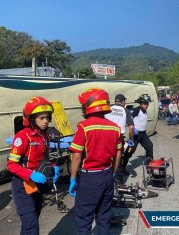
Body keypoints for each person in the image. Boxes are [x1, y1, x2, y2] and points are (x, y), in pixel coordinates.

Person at [69, 88, 122, 235]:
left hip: (89, 178)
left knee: (84, 217)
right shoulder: (115, 127)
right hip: (107, 175)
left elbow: (77, 156)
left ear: (89, 106)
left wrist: (72, 178)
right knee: (104, 217)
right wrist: (113, 172)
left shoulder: (84, 126)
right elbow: (118, 154)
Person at [7, 96, 60, 235]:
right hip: (22, 186)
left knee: (31, 222)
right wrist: (30, 174)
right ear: (32, 119)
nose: (46, 121)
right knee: (31, 225)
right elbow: (11, 165)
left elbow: (45, 157)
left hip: (38, 185)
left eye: (47, 117)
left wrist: (53, 166)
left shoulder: (44, 136)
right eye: (42, 118)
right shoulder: (22, 137)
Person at [122, 94, 154, 175]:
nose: (146, 105)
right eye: (144, 103)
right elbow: (128, 118)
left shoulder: (145, 111)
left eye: (147, 103)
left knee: (149, 146)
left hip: (143, 134)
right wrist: (132, 129)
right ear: (140, 103)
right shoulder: (137, 110)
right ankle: (122, 167)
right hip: (135, 135)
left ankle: (149, 165)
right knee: (129, 151)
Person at [104, 94, 134, 175]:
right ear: (123, 101)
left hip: (105, 137)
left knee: (106, 157)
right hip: (118, 138)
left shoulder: (108, 108)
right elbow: (131, 127)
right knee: (118, 158)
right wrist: (131, 139)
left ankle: (105, 175)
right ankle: (119, 181)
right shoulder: (125, 111)